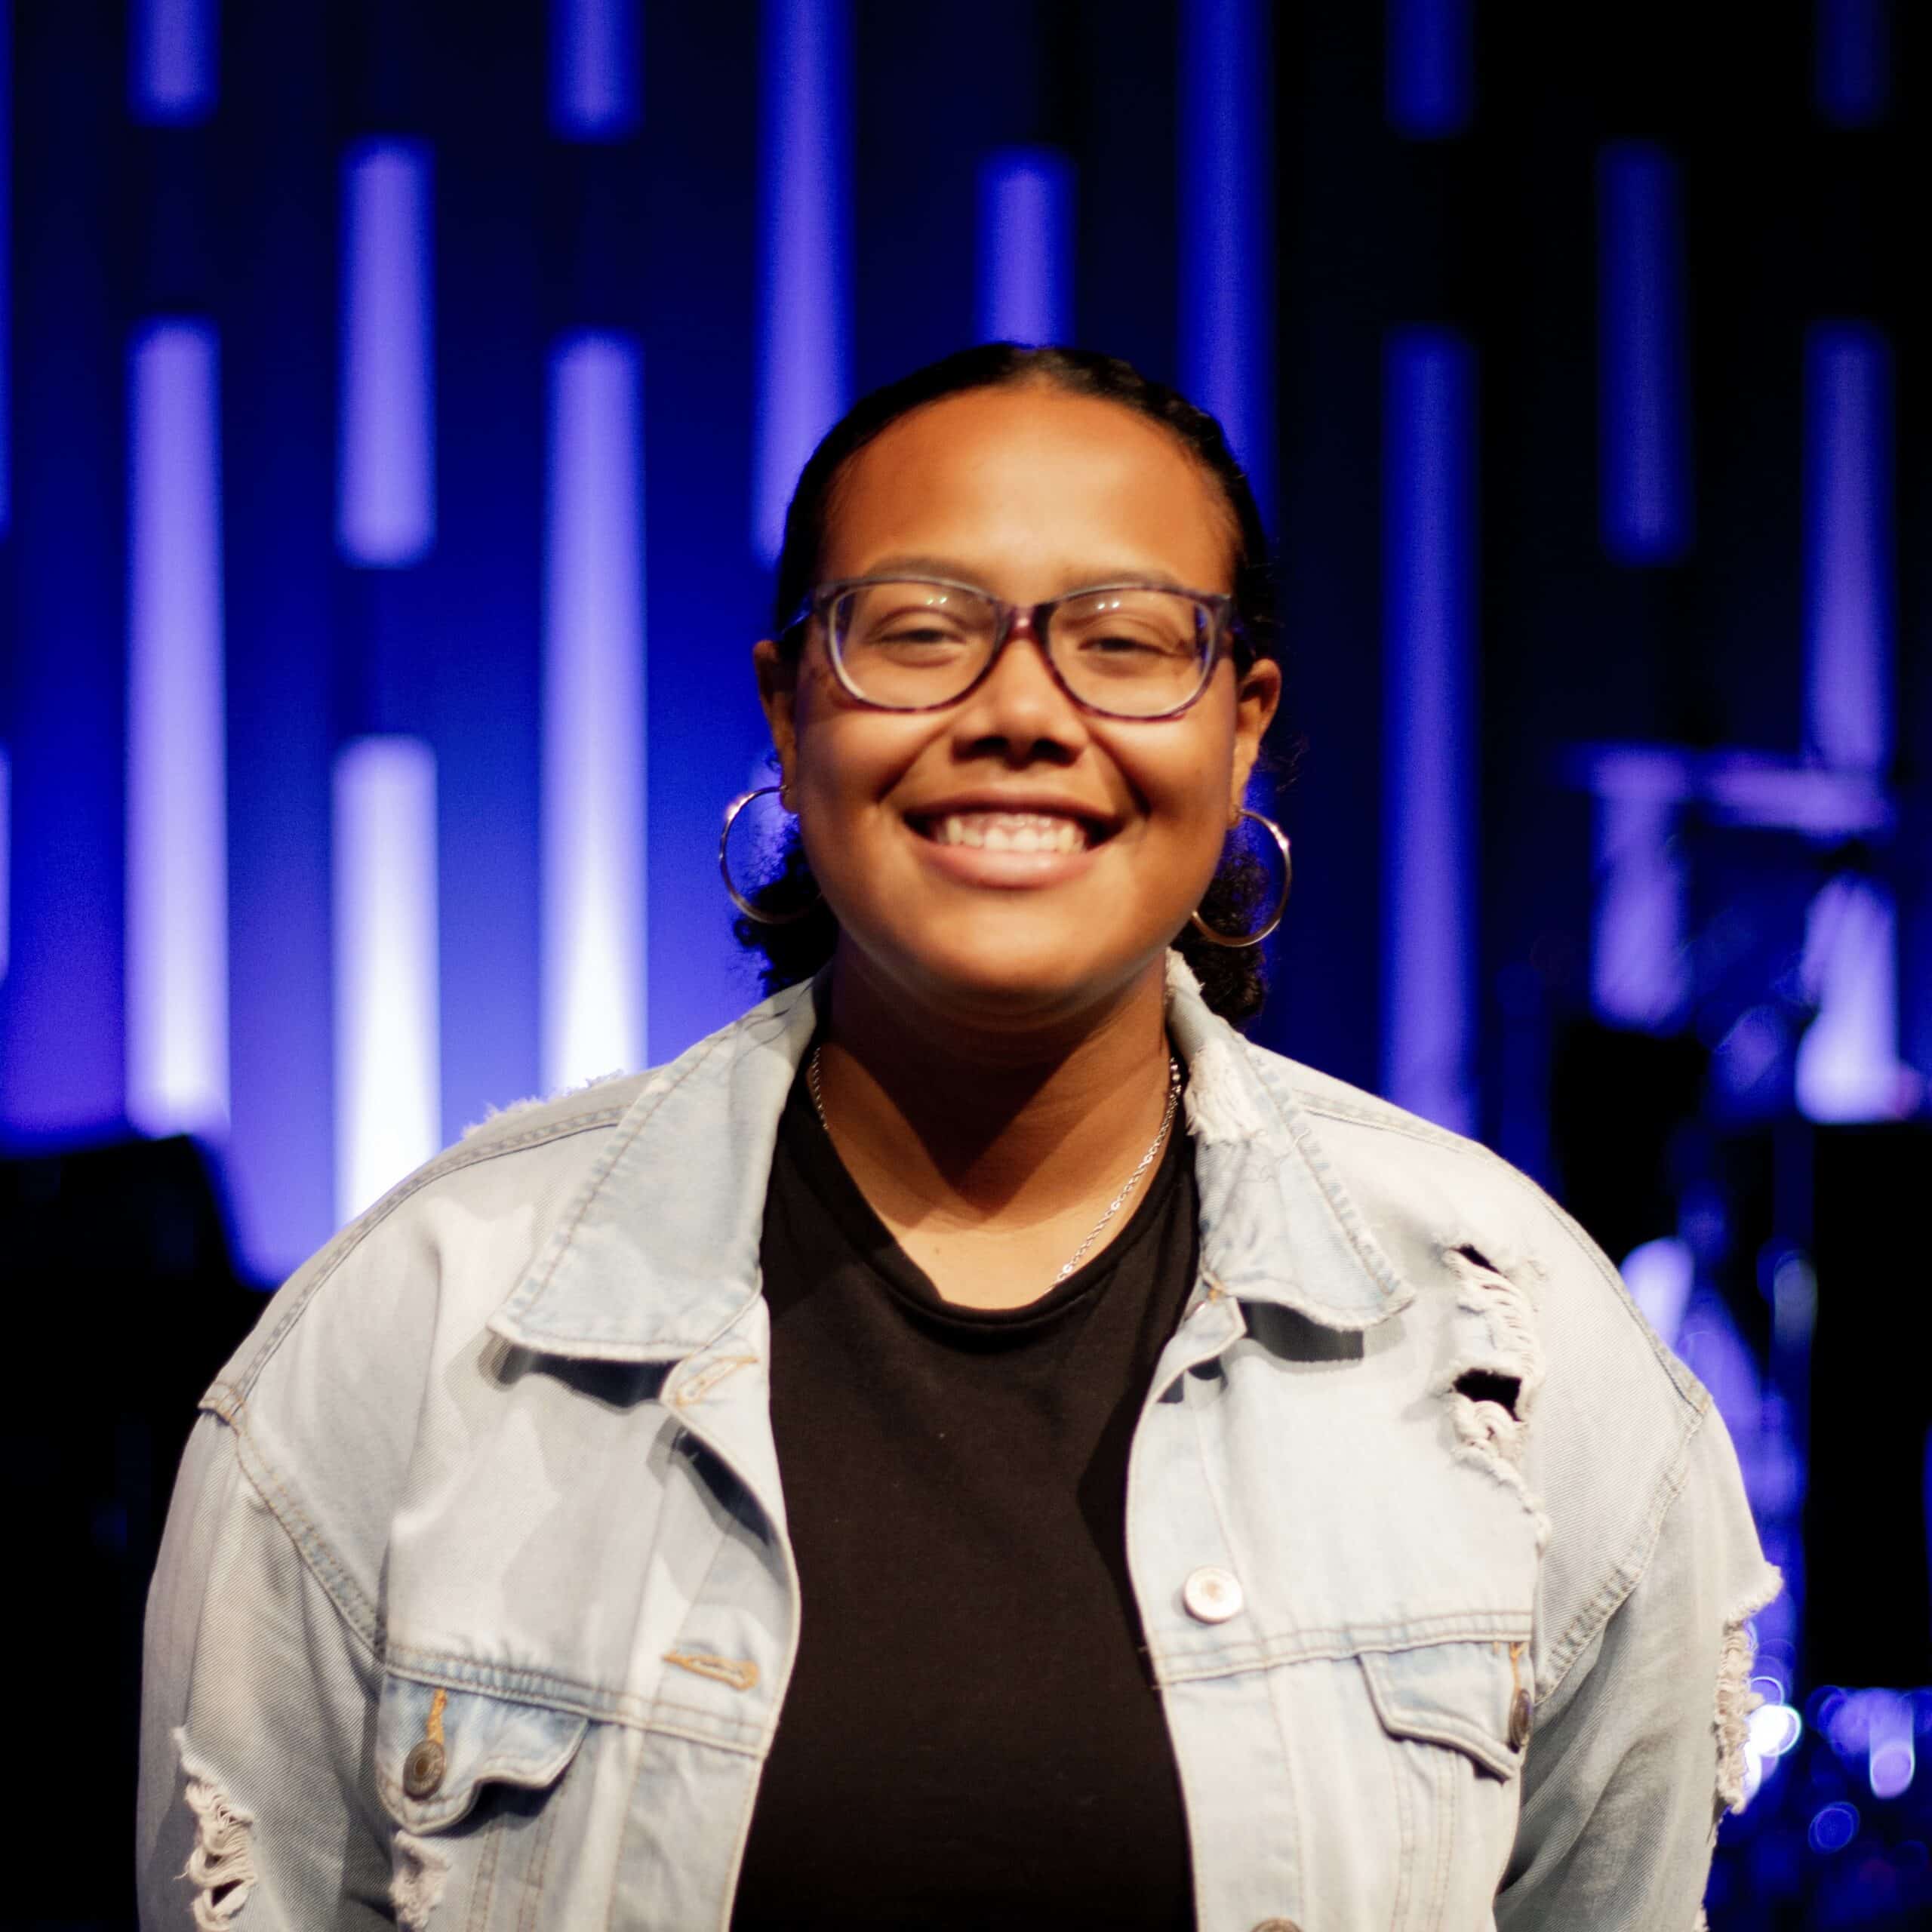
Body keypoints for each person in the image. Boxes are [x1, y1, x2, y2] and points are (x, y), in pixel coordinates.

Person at [138, 345, 1775, 1930]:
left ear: (1240, 728)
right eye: (916, 631)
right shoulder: (428, 1326)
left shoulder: (1508, 1342)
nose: (1017, 709)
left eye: (1125, 641)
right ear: (789, 712)